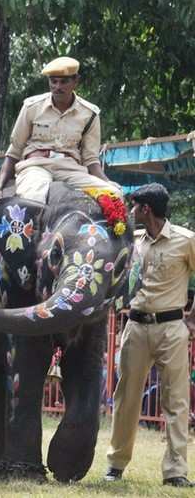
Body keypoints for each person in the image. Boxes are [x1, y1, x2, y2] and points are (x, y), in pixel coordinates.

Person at [105, 183, 195, 487]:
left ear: (146, 209)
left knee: (176, 401)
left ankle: (175, 472)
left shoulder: (186, 241)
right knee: (126, 397)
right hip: (135, 326)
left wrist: (192, 320)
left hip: (171, 328)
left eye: (134, 207)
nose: (131, 212)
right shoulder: (134, 241)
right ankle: (115, 465)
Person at [0, 56, 121, 205]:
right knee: (33, 199)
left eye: (64, 81)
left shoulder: (90, 114)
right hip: (36, 167)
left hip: (71, 170)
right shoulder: (31, 107)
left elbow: (90, 159)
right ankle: (32, 228)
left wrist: (107, 182)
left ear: (76, 81)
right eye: (53, 81)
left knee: (115, 196)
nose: (57, 86)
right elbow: (14, 150)